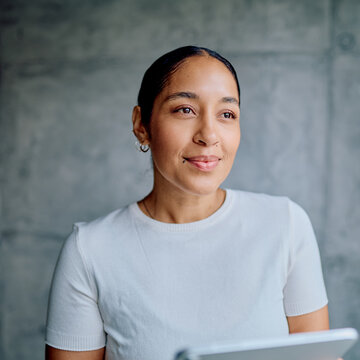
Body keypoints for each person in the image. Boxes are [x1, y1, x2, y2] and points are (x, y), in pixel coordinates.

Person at [45, 46, 329, 360]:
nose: (209, 135)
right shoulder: (90, 250)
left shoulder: (285, 224)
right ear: (142, 125)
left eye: (227, 114)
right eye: (185, 110)